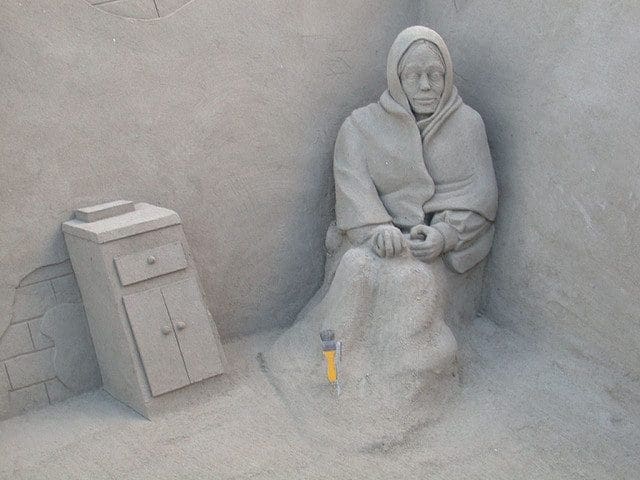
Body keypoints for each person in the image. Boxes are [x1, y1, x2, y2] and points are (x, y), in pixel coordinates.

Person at [266, 26, 497, 417]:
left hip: (433, 252)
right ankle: (331, 371)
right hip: (370, 240)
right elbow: (352, 189)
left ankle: (401, 385)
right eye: (413, 75)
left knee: (411, 283)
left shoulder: (467, 125)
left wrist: (443, 235)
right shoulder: (360, 126)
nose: (426, 85)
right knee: (357, 270)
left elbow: (480, 197)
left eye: (435, 74)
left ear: (447, 75)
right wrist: (377, 230)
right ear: (396, 76)